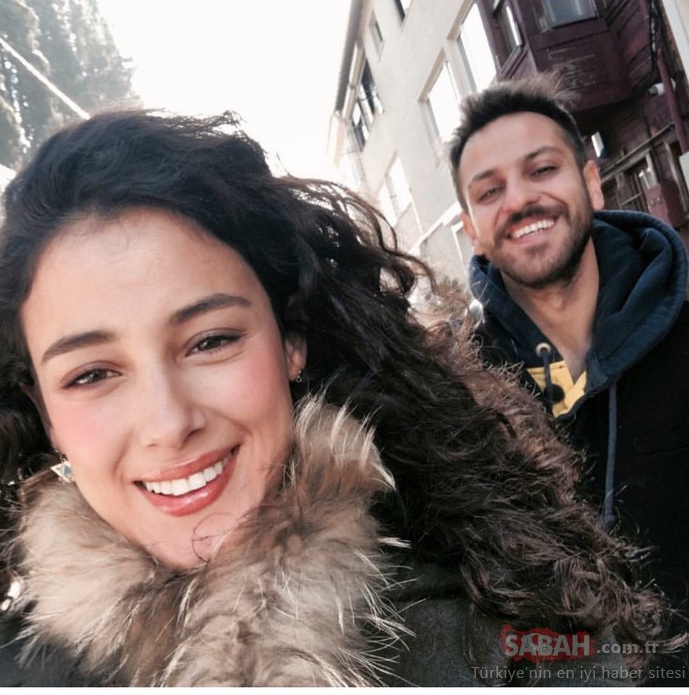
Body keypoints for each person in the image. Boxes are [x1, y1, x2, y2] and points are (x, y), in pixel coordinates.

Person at [0, 110, 677, 687]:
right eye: (91, 375)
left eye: (210, 341)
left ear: (290, 341)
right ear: (44, 411)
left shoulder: (519, 647)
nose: (168, 422)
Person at [450, 74, 689, 683]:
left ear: (591, 182)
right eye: (490, 190)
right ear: (472, 230)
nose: (520, 199)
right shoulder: (458, 397)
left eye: (542, 169)